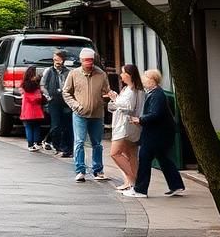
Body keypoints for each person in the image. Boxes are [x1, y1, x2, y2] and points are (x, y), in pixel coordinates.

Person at [124, 69, 186, 199]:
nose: (143, 80)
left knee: (144, 159)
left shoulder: (157, 95)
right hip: (160, 133)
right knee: (163, 158)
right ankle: (176, 185)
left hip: (155, 134)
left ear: (152, 80)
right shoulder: (155, 93)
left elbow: (155, 114)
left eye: (145, 78)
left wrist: (140, 119)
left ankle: (140, 190)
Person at [63, 47, 109, 182]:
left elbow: (106, 90)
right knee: (79, 142)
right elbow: (66, 92)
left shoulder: (101, 74)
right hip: (79, 114)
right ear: (81, 61)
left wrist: (106, 99)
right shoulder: (74, 74)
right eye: (86, 61)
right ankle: (80, 170)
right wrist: (76, 106)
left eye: (91, 61)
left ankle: (98, 170)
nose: (89, 63)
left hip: (97, 114)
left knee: (97, 143)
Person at [107, 64, 146, 190]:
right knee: (131, 154)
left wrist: (115, 98)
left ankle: (133, 180)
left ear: (129, 75)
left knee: (115, 153)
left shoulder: (133, 90)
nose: (121, 75)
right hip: (132, 126)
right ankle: (132, 183)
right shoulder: (133, 89)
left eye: (123, 73)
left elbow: (128, 106)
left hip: (125, 126)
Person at [40, 49, 72, 157]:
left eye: (58, 59)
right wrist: (48, 97)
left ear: (63, 60)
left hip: (66, 101)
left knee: (67, 125)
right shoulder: (48, 71)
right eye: (54, 59)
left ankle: (67, 148)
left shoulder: (68, 72)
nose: (56, 62)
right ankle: (57, 146)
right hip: (54, 101)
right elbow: (43, 85)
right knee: (56, 125)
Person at [20, 66, 46, 150]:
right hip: (37, 111)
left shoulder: (24, 86)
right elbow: (40, 98)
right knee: (36, 127)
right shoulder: (37, 86)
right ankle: (36, 143)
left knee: (28, 127)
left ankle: (30, 145)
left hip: (27, 111)